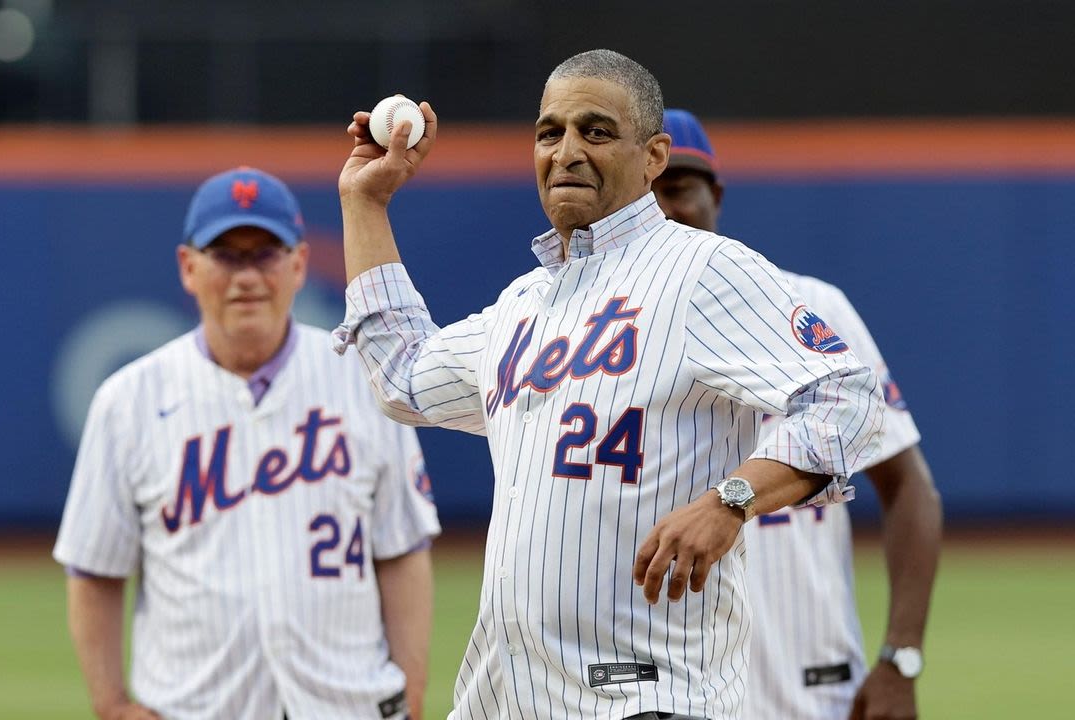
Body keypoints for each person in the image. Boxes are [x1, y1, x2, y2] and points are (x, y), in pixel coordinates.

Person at [334, 50, 886, 720]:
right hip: (512, 698)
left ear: (653, 158)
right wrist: (366, 202)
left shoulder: (701, 270)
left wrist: (731, 500)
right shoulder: (523, 305)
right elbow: (402, 378)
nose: (566, 151)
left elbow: (847, 397)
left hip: (646, 695)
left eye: (595, 131)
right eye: (549, 132)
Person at [53, 167, 439, 720]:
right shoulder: (128, 400)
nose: (248, 276)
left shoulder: (365, 378)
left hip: (348, 704)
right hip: (194, 708)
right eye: (227, 254)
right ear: (189, 267)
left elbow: (401, 549)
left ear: (300, 263)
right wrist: (112, 704)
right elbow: (94, 568)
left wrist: (412, 694)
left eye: (266, 252)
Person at [653, 109, 943, 720]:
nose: (665, 208)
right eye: (647, 191)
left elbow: (909, 487)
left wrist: (900, 658)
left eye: (678, 187)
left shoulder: (813, 307)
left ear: (716, 196)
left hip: (815, 686)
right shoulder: (606, 336)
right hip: (670, 689)